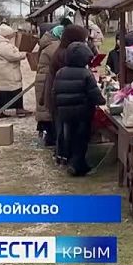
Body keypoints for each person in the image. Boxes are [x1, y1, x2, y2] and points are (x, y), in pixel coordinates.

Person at [52, 42, 106, 176]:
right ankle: (77, 165)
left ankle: (70, 160)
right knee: (81, 140)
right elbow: (94, 94)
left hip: (64, 112)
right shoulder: (85, 74)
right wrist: (102, 101)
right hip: (82, 113)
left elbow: (54, 92)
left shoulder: (60, 72)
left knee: (68, 137)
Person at [45, 25, 89, 166]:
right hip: (61, 98)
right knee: (63, 129)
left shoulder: (63, 51)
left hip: (59, 96)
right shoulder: (65, 55)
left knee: (62, 127)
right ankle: (63, 155)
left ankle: (62, 155)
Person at [0, 24, 28, 118]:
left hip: (4, 72)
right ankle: (19, 109)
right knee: (15, 89)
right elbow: (13, 56)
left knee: (2, 91)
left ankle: (0, 110)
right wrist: (25, 54)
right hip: (8, 72)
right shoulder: (3, 45)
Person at [35, 25, 63, 147]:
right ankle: (50, 138)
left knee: (44, 109)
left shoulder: (47, 43)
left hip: (43, 78)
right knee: (48, 111)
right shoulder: (54, 46)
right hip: (48, 79)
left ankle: (46, 134)